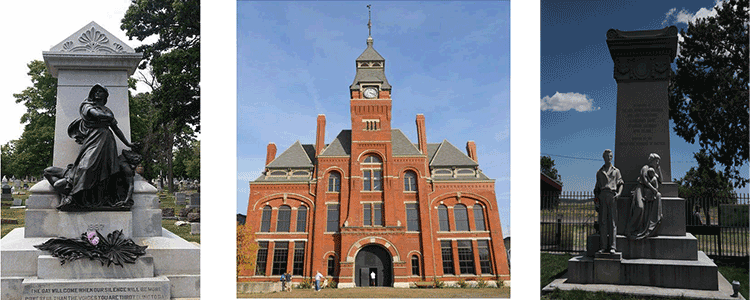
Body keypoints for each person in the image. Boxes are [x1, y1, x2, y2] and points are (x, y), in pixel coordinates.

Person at [44, 84, 135, 211]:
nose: (97, 93)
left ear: (105, 95)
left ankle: (98, 197)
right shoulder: (87, 105)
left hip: (107, 140)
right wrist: (108, 117)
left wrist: (127, 143)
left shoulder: (108, 110)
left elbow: (116, 129)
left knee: (105, 170)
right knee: (85, 166)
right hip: (94, 138)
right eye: (96, 91)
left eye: (100, 91)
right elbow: (95, 114)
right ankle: (73, 196)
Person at [626, 153, 663, 239]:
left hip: (648, 191)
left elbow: (661, 180)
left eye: (658, 161)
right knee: (639, 207)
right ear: (652, 160)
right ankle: (630, 229)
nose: (657, 163)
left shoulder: (654, 171)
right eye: (656, 161)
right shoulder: (645, 168)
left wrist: (659, 169)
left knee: (658, 196)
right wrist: (653, 189)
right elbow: (645, 180)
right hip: (640, 188)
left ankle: (650, 225)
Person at [593, 149, 623, 254]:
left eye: (610, 156)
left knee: (613, 222)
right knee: (603, 222)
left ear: (612, 157)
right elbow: (596, 189)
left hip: (612, 195)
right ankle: (603, 246)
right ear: (603, 157)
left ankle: (612, 247)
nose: (608, 158)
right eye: (606, 156)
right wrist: (596, 201)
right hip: (602, 196)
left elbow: (621, 183)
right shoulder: (599, 172)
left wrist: (619, 194)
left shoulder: (616, 171)